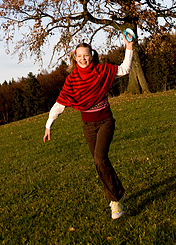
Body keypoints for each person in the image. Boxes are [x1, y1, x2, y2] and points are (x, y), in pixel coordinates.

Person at [43, 34, 134, 220]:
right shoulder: (72, 80)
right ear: (74, 58)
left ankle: (115, 201)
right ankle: (118, 193)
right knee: (99, 163)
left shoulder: (102, 71)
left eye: (86, 55)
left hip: (105, 122)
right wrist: (48, 125)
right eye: (79, 56)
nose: (83, 59)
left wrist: (129, 47)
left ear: (92, 56)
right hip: (88, 126)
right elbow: (60, 104)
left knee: (100, 159)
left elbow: (125, 69)